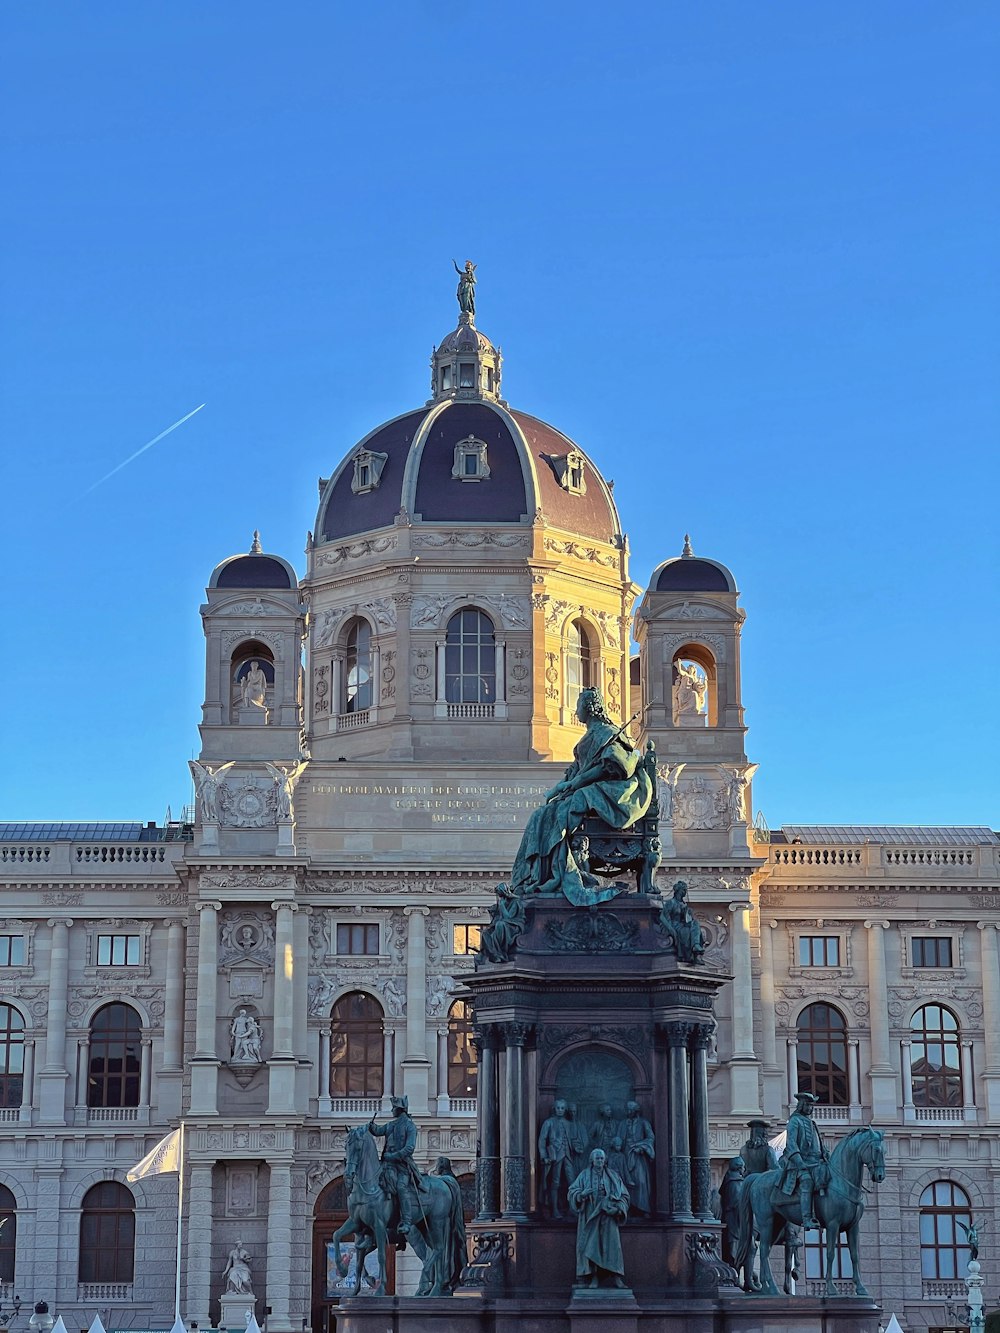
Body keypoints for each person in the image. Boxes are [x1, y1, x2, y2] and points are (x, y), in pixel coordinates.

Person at [509, 688, 653, 906]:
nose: (576, 712)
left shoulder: (607, 732)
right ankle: (532, 877)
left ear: (589, 708)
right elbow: (574, 772)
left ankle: (554, 875)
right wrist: (558, 790)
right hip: (588, 790)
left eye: (578, 706)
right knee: (541, 814)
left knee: (569, 806)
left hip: (612, 792)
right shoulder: (589, 737)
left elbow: (614, 767)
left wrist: (574, 784)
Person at [568, 1148, 630, 1289]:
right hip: (590, 1215)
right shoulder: (584, 1175)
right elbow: (572, 1191)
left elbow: (624, 1196)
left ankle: (617, 1277)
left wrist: (618, 1208)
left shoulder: (613, 1176)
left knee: (614, 1247)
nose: (600, 1161)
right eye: (597, 1159)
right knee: (592, 1246)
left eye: (602, 1159)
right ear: (592, 1160)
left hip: (608, 1215)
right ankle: (593, 1277)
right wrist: (581, 1195)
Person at [368, 1095, 419, 1236]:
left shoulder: (410, 1126)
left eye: (394, 1108)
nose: (392, 1110)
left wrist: (393, 1156)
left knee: (401, 1187)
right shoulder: (391, 1125)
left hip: (402, 1165)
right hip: (387, 1164)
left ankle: (406, 1221)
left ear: (399, 1109)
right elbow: (379, 1131)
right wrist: (371, 1127)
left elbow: (409, 1148)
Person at [778, 1091, 828, 1230]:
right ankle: (806, 1218)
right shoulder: (794, 1121)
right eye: (808, 1105)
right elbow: (791, 1144)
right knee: (807, 1181)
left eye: (812, 1105)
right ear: (801, 1105)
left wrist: (826, 1155)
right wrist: (800, 1163)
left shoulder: (812, 1123)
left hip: (817, 1162)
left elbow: (819, 1144)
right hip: (799, 1164)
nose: (811, 1108)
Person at [538, 1098, 576, 1219]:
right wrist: (544, 1156)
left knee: (572, 1181)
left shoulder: (569, 1124)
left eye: (562, 1108)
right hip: (554, 1156)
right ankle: (554, 1209)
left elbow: (573, 1139)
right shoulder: (548, 1123)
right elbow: (542, 1140)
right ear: (555, 1109)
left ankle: (572, 1208)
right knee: (555, 1182)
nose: (560, 1110)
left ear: (565, 1110)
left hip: (568, 1155)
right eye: (558, 1108)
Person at [619, 1100, 655, 1216]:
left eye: (631, 1110)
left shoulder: (643, 1123)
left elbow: (650, 1138)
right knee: (624, 1181)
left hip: (639, 1156)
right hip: (625, 1155)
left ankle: (643, 1208)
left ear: (636, 1111)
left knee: (641, 1181)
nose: (628, 1112)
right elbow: (618, 1138)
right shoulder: (623, 1123)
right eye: (627, 1110)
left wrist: (642, 1147)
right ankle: (626, 1207)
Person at [657, 881, 706, 963]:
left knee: (695, 923)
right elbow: (662, 917)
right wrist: (671, 929)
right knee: (686, 932)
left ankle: (696, 946)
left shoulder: (684, 904)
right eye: (683, 890)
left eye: (685, 890)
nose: (685, 892)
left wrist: (688, 913)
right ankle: (693, 954)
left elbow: (686, 919)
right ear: (678, 891)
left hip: (682, 924)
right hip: (673, 925)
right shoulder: (671, 903)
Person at [718, 1157, 746, 1269]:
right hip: (734, 1220)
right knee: (734, 1245)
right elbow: (737, 1204)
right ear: (739, 1168)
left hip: (730, 1218)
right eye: (743, 1167)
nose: (744, 1169)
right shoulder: (736, 1183)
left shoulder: (729, 1180)